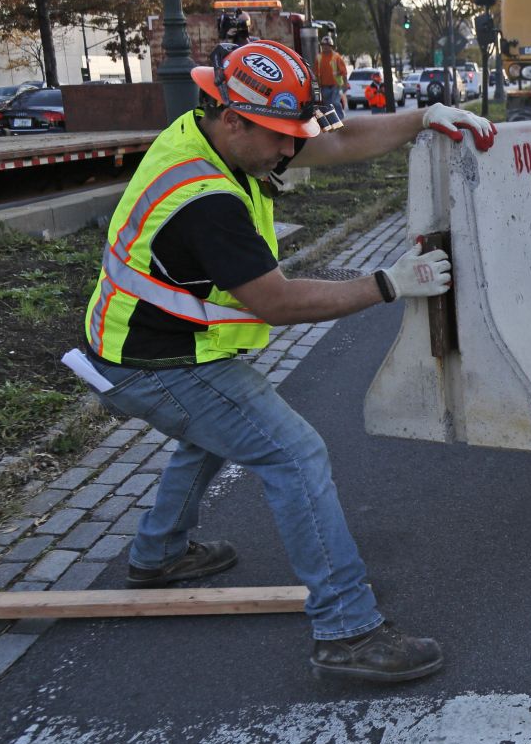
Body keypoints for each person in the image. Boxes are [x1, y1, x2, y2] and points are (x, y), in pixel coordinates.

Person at [66, 39, 497, 684]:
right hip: (153, 363)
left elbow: (335, 138)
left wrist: (422, 116)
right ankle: (347, 631)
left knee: (213, 434)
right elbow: (278, 302)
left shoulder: (215, 132)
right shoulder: (205, 199)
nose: (289, 152)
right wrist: (389, 282)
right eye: (278, 139)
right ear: (234, 119)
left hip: (150, 348)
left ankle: (158, 555)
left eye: (293, 135)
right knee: (294, 453)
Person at [316, 34, 347, 120]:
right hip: (324, 86)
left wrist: (345, 84)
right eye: (323, 45)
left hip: (336, 85)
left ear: (331, 46)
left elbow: (344, 72)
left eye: (327, 45)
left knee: (335, 102)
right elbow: (315, 73)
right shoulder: (319, 57)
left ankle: (341, 119)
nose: (325, 47)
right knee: (327, 105)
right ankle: (333, 121)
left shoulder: (336, 57)